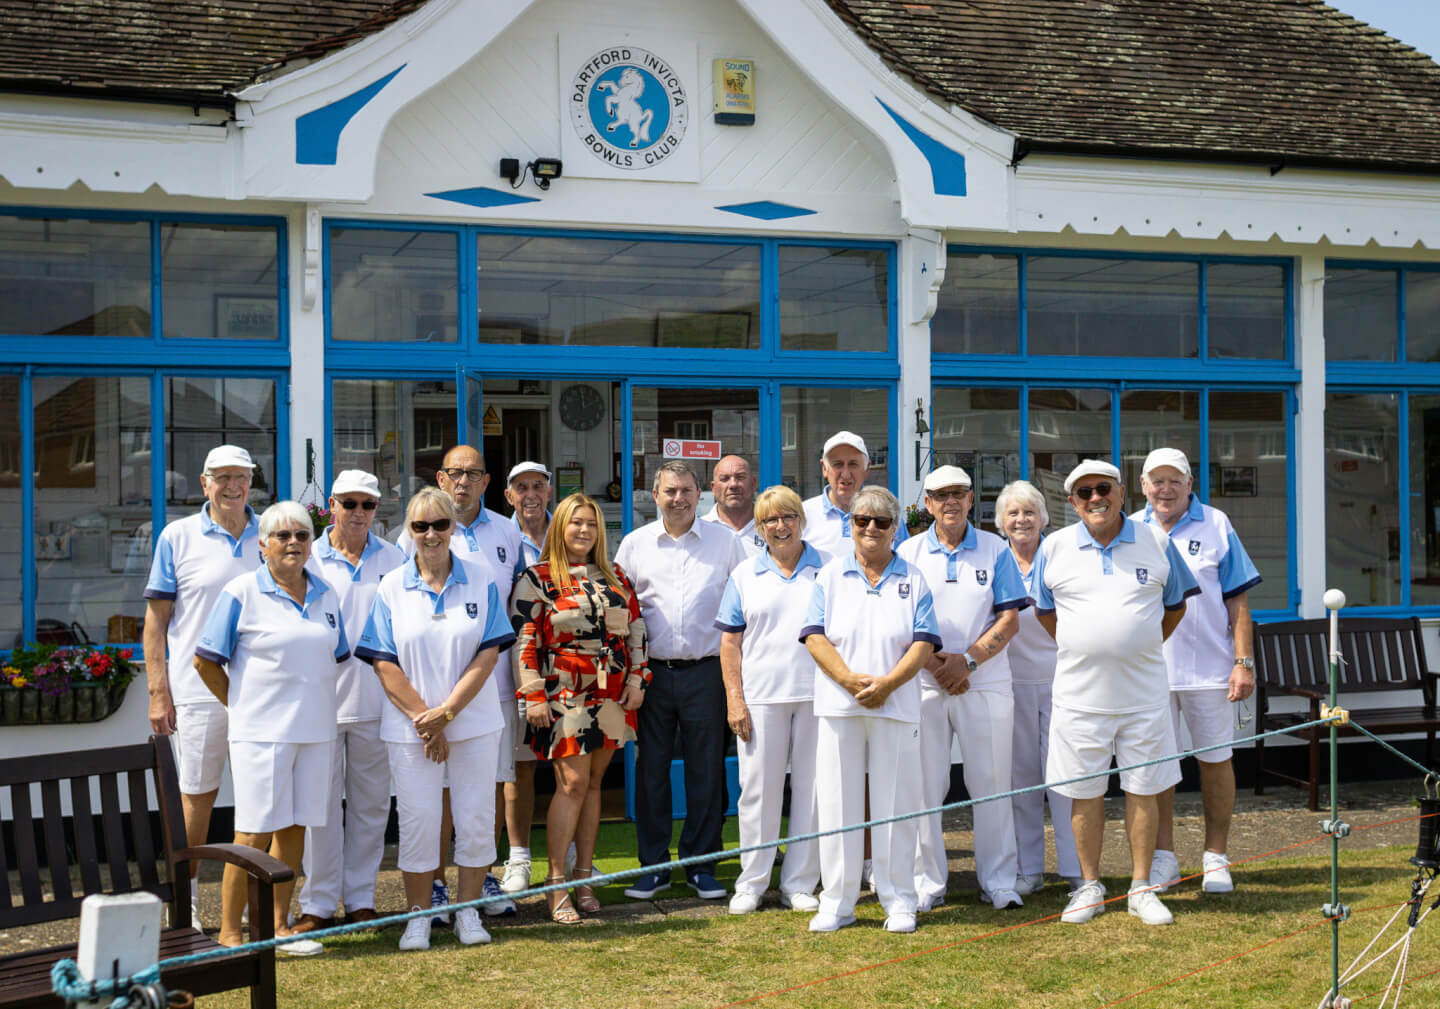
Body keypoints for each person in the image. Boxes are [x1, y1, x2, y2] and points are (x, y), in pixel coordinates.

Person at [1032, 460, 1200, 927]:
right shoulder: (1055, 546)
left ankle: (1141, 886)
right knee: (1083, 792)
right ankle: (1089, 885)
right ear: (1072, 503)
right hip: (1078, 696)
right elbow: (1046, 613)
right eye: (1083, 493)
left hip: (1143, 693)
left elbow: (1175, 606)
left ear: (1122, 492)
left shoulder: (1157, 541)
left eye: (1102, 489)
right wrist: (1089, 646)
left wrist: (1136, 643)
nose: (1094, 499)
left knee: (1143, 789)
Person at [355, 487, 516, 951]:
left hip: (473, 724)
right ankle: (419, 916)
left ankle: (466, 912)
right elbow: (384, 662)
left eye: (440, 525)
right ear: (409, 530)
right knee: (420, 820)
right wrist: (425, 720)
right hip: (411, 730)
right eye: (421, 526)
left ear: (453, 529)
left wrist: (446, 714)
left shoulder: (481, 578)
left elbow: (488, 654)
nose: (431, 534)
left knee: (475, 818)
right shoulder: (391, 587)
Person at [193, 501, 349, 955]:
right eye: (282, 536)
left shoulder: (326, 593)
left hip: (316, 731)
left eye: (301, 535)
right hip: (260, 735)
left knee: (296, 828)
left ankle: (277, 928)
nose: (293, 543)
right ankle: (230, 934)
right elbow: (205, 661)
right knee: (253, 833)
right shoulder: (241, 592)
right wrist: (240, 707)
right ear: (262, 545)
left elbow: (333, 656)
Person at [801, 486, 940, 934]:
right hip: (840, 705)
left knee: (896, 803)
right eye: (863, 520)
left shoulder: (914, 577)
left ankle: (899, 900)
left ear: (895, 528)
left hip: (896, 705)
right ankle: (837, 902)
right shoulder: (829, 575)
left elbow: (923, 642)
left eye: (881, 522)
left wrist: (888, 684)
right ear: (851, 525)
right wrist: (846, 680)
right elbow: (814, 636)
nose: (871, 528)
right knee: (838, 805)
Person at [398, 445, 524, 920]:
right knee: (437, 791)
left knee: (487, 784)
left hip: (487, 685)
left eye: (473, 473)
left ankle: (482, 878)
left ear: (487, 481)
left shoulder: (506, 531)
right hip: (426, 695)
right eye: (456, 473)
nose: (464, 481)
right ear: (442, 477)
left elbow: (513, 603)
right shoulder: (406, 535)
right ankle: (433, 885)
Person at [511, 493, 648, 922]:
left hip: (611, 694)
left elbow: (637, 627)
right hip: (563, 694)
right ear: (560, 528)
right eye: (575, 523)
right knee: (570, 784)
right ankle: (556, 884)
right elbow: (523, 638)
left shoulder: (615, 575)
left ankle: (584, 877)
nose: (584, 530)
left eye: (591, 523)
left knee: (593, 785)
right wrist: (531, 693)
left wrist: (639, 678)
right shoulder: (537, 578)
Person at [615, 460, 748, 901]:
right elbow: (623, 613)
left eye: (687, 490)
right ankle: (652, 867)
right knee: (650, 772)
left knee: (706, 772)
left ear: (700, 494)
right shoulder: (634, 546)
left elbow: (742, 608)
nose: (679, 499)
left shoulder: (726, 543)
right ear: (655, 496)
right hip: (651, 675)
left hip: (706, 672)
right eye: (670, 491)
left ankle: (701, 865)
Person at [898, 466, 1028, 912]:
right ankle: (926, 883)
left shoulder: (997, 549)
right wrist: (939, 665)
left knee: (991, 784)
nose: (950, 502)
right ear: (927, 504)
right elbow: (901, 622)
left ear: (972, 499)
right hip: (924, 683)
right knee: (924, 786)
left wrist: (966, 661)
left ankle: (999, 882)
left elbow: (1009, 618)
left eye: (959, 493)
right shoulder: (908, 551)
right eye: (940, 495)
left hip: (985, 681)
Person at [142, 444, 263, 926]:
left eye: (242, 477)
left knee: (261, 797)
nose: (233, 486)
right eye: (223, 477)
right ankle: (184, 902)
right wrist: (157, 690)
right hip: (196, 689)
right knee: (196, 796)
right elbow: (156, 623)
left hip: (259, 688)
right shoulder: (178, 536)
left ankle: (256, 902)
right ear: (204, 482)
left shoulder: (271, 532)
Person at [1133, 448, 1261, 896]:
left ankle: (1215, 858)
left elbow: (1238, 600)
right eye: (1156, 481)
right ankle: (1164, 858)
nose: (1164, 490)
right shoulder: (1131, 528)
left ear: (1190, 484)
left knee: (1215, 762)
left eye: (1174, 481)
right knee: (1158, 768)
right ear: (1143, 486)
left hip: (1210, 669)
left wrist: (1242, 662)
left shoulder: (1217, 524)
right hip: (1149, 672)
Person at [290, 471, 405, 934]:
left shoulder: (395, 558)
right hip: (319, 702)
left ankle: (361, 898)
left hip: (377, 701)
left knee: (371, 806)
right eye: (350, 503)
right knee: (318, 807)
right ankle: (316, 903)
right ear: (331, 505)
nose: (359, 513)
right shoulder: (307, 555)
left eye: (368, 505)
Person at [715, 485, 828, 915]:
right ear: (760, 529)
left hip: (818, 696)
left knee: (812, 791)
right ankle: (752, 882)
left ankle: (800, 882)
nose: (780, 527)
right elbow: (730, 643)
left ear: (801, 519)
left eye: (788, 517)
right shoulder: (745, 574)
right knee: (757, 791)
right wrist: (735, 700)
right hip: (761, 697)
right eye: (770, 521)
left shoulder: (830, 568)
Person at [997, 480, 1081, 894]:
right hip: (1011, 684)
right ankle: (1027, 870)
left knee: (1065, 778)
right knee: (1021, 781)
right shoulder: (996, 561)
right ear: (1001, 523)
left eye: (1029, 512)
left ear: (1044, 518)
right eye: (1012, 513)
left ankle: (1076, 868)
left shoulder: (1060, 556)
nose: (1021, 520)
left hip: (1060, 680)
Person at [498, 460, 553, 895]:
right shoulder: (498, 535)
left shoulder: (568, 529)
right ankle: (518, 858)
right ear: (508, 494)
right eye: (522, 487)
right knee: (519, 767)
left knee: (572, 764)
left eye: (538, 485)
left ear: (549, 492)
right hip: (518, 665)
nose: (530, 494)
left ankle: (567, 851)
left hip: (572, 667)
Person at [802, 431, 908, 556]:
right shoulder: (803, 515)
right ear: (824, 468)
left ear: (867, 468)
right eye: (838, 464)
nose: (846, 474)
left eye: (853, 464)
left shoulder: (888, 515)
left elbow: (904, 565)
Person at [703, 454, 764, 556]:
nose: (733, 485)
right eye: (724, 479)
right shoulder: (700, 531)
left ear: (753, 484)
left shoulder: (773, 527)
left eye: (740, 477)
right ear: (713, 488)